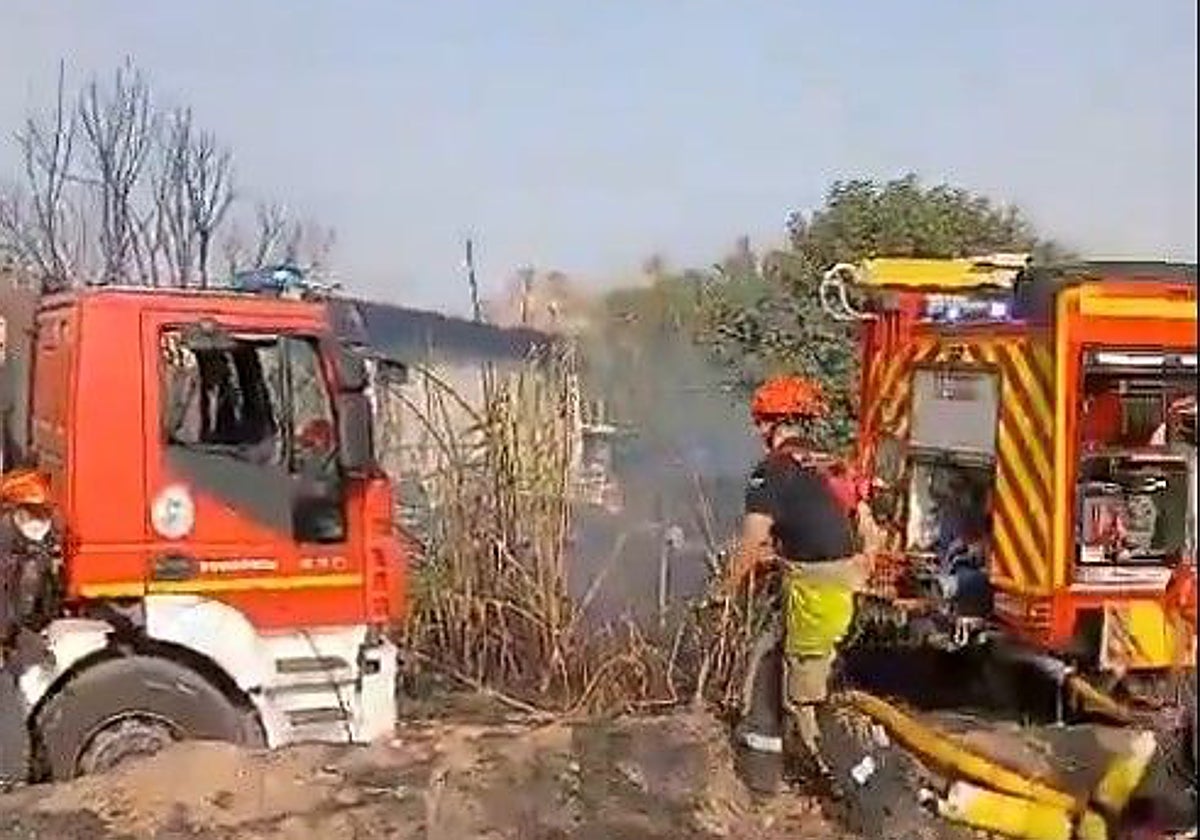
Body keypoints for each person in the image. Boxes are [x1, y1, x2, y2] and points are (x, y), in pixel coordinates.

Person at [726, 376, 880, 794]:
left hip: (816, 592)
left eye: (761, 422)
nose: (759, 430)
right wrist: (862, 565)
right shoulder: (830, 465)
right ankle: (772, 759)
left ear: (772, 424)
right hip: (842, 587)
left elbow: (752, 542)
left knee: (803, 696)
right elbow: (871, 531)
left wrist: (725, 591)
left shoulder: (771, 473)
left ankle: (856, 785)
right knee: (777, 655)